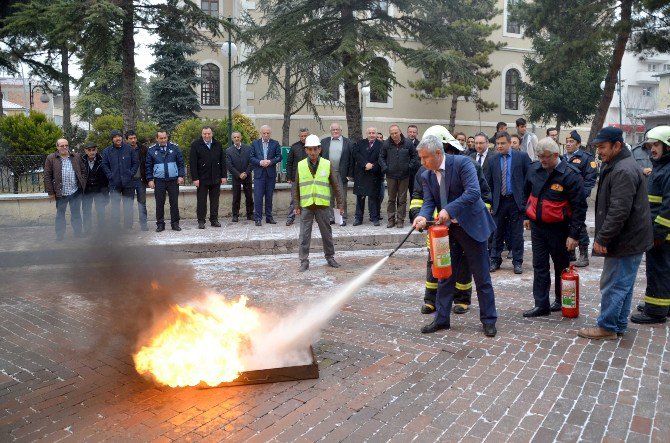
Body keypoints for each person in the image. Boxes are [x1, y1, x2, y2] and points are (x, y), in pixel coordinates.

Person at [412, 135, 498, 337]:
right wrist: (422, 217)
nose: (422, 163)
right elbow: (429, 202)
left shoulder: (462, 163)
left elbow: (473, 192)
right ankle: (442, 319)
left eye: (425, 158)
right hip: (447, 231)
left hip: (471, 227)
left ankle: (489, 320)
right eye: (421, 158)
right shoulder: (426, 175)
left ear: (438, 153)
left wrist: (449, 210)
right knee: (444, 275)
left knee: (481, 275)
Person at [578, 127, 653, 340]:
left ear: (617, 146)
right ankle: (618, 324)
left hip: (625, 240)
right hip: (630, 238)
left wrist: (603, 238)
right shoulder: (619, 165)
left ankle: (607, 326)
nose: (599, 151)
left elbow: (619, 210)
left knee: (613, 283)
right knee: (624, 284)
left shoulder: (623, 170)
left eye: (602, 147)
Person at [522, 137, 587, 317]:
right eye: (539, 156)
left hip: (560, 229)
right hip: (538, 227)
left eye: (545, 156)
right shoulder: (534, 169)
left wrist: (574, 235)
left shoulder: (570, 174)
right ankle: (541, 305)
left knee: (560, 265)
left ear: (556, 155)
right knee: (539, 265)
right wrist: (526, 215)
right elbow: (526, 193)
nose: (542, 160)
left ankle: (560, 299)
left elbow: (580, 207)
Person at [631, 126, 670, 324]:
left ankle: (656, 311)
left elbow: (667, 209)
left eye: (656, 145)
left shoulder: (667, 169)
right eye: (650, 145)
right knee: (664, 270)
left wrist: (658, 233)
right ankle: (663, 305)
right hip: (659, 232)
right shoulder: (661, 166)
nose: (652, 149)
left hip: (662, 234)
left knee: (658, 270)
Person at [293, 135, 345, 272]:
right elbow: (296, 187)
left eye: (315, 149)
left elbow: (336, 185)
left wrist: (340, 204)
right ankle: (304, 261)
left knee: (326, 233)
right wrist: (296, 205)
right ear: (306, 150)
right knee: (304, 235)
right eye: (309, 149)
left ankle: (330, 257)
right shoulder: (301, 165)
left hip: (322, 205)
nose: (312, 152)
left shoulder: (327, 164)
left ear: (320, 149)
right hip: (307, 205)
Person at [486, 131, 532, 274]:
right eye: (497, 144)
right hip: (499, 202)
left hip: (516, 202)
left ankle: (517, 261)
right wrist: (490, 203)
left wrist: (526, 203)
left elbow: (529, 180)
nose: (499, 146)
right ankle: (495, 259)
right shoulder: (493, 160)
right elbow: (488, 183)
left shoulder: (522, 157)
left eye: (502, 143)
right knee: (497, 233)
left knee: (517, 234)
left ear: (510, 143)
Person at [563, 130, 598, 267]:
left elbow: (590, 179)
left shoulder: (586, 158)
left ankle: (584, 255)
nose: (568, 144)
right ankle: (571, 253)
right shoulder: (563, 158)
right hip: (564, 198)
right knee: (566, 224)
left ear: (578, 144)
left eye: (571, 142)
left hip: (578, 198)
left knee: (579, 225)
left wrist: (582, 194)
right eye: (567, 141)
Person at [44, 138, 86, 240]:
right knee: (60, 215)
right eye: (62, 146)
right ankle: (60, 236)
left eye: (66, 145)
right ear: (57, 147)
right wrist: (50, 192)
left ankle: (78, 233)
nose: (64, 147)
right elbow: (47, 176)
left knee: (76, 214)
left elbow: (83, 171)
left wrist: (82, 185)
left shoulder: (76, 156)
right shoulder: (51, 158)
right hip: (60, 193)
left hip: (75, 191)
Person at [379, 124, 418, 229]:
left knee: (402, 199)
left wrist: (408, 167)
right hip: (391, 176)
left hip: (404, 176)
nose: (394, 135)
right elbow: (381, 157)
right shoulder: (386, 144)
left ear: (400, 132)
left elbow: (415, 157)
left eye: (396, 133)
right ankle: (391, 220)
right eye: (392, 133)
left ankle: (400, 220)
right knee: (391, 199)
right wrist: (386, 168)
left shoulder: (408, 143)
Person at [146, 130, 185, 232]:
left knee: (174, 203)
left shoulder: (175, 148)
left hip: (173, 180)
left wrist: (180, 175)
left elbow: (181, 163)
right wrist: (150, 179)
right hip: (159, 181)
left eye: (165, 138)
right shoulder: (151, 150)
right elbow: (148, 166)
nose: (163, 140)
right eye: (161, 138)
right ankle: (160, 224)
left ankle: (175, 223)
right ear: (157, 138)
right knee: (159, 203)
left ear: (167, 137)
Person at [190, 126, 227, 229]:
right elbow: (192, 163)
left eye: (208, 134)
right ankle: (201, 221)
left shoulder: (218, 144)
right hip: (202, 179)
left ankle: (214, 220)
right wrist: (195, 178)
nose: (207, 136)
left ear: (212, 134)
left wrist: (223, 176)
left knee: (215, 201)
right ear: (202, 134)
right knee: (201, 201)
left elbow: (223, 161)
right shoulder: (195, 145)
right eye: (204, 134)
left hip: (216, 177)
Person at [102, 129, 138, 230]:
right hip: (114, 183)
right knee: (115, 207)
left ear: (122, 138)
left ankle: (128, 227)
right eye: (115, 137)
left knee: (128, 206)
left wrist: (131, 173)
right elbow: (104, 165)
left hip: (128, 183)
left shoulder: (129, 149)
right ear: (112, 139)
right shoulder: (107, 151)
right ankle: (116, 228)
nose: (118, 138)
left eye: (119, 136)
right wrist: (110, 175)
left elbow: (135, 163)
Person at [321, 123, 354, 226]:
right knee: (329, 196)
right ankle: (330, 217)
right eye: (333, 130)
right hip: (328, 173)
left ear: (341, 130)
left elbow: (351, 160)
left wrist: (350, 174)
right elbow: (320, 158)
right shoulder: (324, 142)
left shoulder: (348, 142)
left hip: (342, 174)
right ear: (331, 131)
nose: (335, 131)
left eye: (337, 129)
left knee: (341, 197)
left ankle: (342, 218)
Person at [250, 125, 282, 226]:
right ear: (261, 133)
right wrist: (260, 162)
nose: (266, 135)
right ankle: (258, 218)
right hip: (259, 174)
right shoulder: (255, 143)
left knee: (269, 197)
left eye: (268, 133)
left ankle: (269, 217)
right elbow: (251, 157)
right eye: (264, 133)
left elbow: (279, 157)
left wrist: (270, 161)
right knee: (258, 197)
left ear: (270, 133)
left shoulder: (275, 143)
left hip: (270, 174)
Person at [353, 126, 383, 226]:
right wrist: (365, 164)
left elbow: (381, 158)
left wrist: (372, 166)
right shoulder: (360, 143)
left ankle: (374, 218)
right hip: (362, 173)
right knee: (360, 198)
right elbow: (356, 155)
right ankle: (358, 218)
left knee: (373, 198)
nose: (371, 135)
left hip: (374, 175)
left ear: (376, 134)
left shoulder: (381, 145)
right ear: (367, 134)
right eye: (369, 133)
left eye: (373, 133)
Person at [80, 142, 108, 235]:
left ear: (96, 150)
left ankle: (102, 231)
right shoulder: (81, 160)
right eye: (89, 150)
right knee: (86, 211)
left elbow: (106, 176)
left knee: (101, 211)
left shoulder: (102, 159)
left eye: (93, 150)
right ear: (85, 151)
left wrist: (106, 191)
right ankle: (87, 230)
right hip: (87, 190)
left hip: (99, 189)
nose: (91, 152)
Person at [226, 131, 254, 222]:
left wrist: (246, 173)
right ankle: (235, 215)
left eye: (238, 137)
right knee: (236, 197)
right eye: (235, 137)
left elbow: (251, 162)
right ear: (232, 139)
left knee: (249, 196)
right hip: (236, 177)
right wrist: (238, 174)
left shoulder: (248, 148)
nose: (236, 139)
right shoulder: (229, 151)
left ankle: (250, 214)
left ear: (240, 137)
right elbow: (229, 165)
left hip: (247, 176)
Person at [285, 128, 310, 226]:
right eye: (302, 136)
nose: (303, 138)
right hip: (296, 177)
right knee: (294, 199)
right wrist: (289, 177)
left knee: (308, 199)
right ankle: (290, 218)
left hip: (309, 177)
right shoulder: (294, 147)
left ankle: (307, 218)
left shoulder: (313, 147)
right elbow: (289, 163)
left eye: (305, 136)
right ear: (299, 136)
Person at [125, 130, 148, 231]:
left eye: (134, 138)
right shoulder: (123, 149)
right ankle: (128, 226)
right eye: (130, 139)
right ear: (126, 140)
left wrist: (149, 178)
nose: (133, 140)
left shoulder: (143, 149)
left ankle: (143, 224)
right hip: (128, 181)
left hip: (140, 180)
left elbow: (148, 164)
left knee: (142, 203)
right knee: (128, 204)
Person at [407, 124, 421, 196]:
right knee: (401, 196)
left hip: (415, 174)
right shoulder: (402, 143)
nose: (412, 134)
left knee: (413, 194)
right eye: (410, 132)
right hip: (404, 174)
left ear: (417, 133)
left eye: (414, 132)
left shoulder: (420, 145)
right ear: (407, 132)